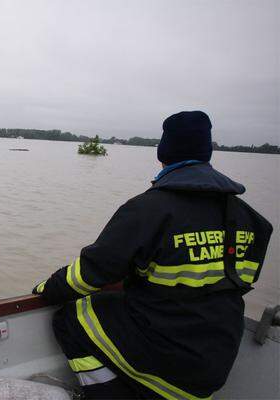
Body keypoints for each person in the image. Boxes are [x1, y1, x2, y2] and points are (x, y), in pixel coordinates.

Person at [32, 111, 273, 399]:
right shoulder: (252, 220)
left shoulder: (148, 210)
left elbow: (89, 273)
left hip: (171, 359)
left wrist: (47, 289)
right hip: (217, 361)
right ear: (208, 152)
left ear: (163, 152)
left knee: (71, 317)